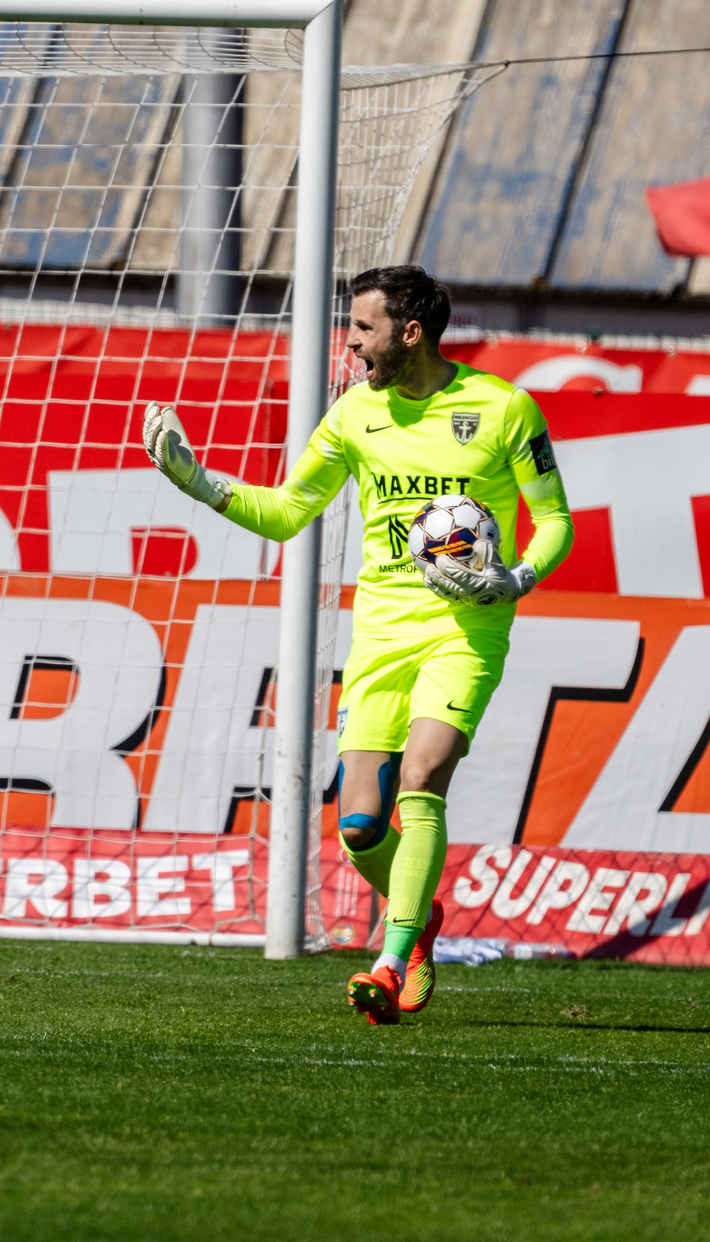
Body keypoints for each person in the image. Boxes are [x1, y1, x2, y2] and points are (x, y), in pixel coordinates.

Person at [142, 264, 572, 1024]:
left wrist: (515, 578)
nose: (351, 343)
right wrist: (200, 483)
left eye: (364, 328)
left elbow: (556, 520)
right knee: (360, 827)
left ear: (411, 332)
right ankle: (421, 917)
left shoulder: (504, 407)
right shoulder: (353, 415)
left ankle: (390, 959)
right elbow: (285, 511)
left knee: (424, 776)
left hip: (465, 628)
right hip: (380, 632)